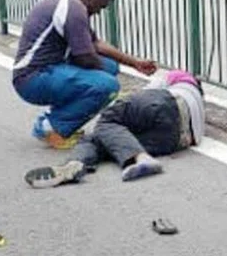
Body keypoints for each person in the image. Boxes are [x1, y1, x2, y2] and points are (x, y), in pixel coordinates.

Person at [12, 0, 157, 150]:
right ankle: (50, 128)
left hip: (47, 70)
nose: (98, 12)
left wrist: (134, 62)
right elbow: (86, 57)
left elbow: (95, 44)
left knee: (110, 67)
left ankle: (56, 118)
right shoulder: (73, 9)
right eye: (100, 7)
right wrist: (114, 87)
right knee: (107, 86)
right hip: (33, 79)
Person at [24, 70, 205, 188]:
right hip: (176, 139)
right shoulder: (199, 106)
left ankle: (142, 158)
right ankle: (76, 164)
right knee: (105, 140)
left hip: (166, 102)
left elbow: (148, 90)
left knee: (106, 121)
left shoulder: (181, 77)